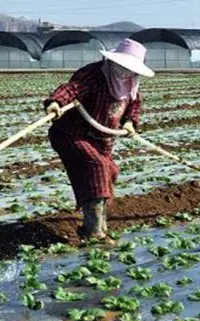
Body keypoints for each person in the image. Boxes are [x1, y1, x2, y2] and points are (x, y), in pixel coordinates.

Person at [43, 38, 155, 245]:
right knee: (98, 166)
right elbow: (72, 88)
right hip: (72, 134)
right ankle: (92, 232)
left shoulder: (131, 83)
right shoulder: (94, 75)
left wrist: (130, 122)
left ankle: (100, 224)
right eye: (122, 66)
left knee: (111, 171)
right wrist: (56, 102)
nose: (125, 72)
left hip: (102, 140)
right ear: (113, 62)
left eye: (129, 69)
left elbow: (134, 104)